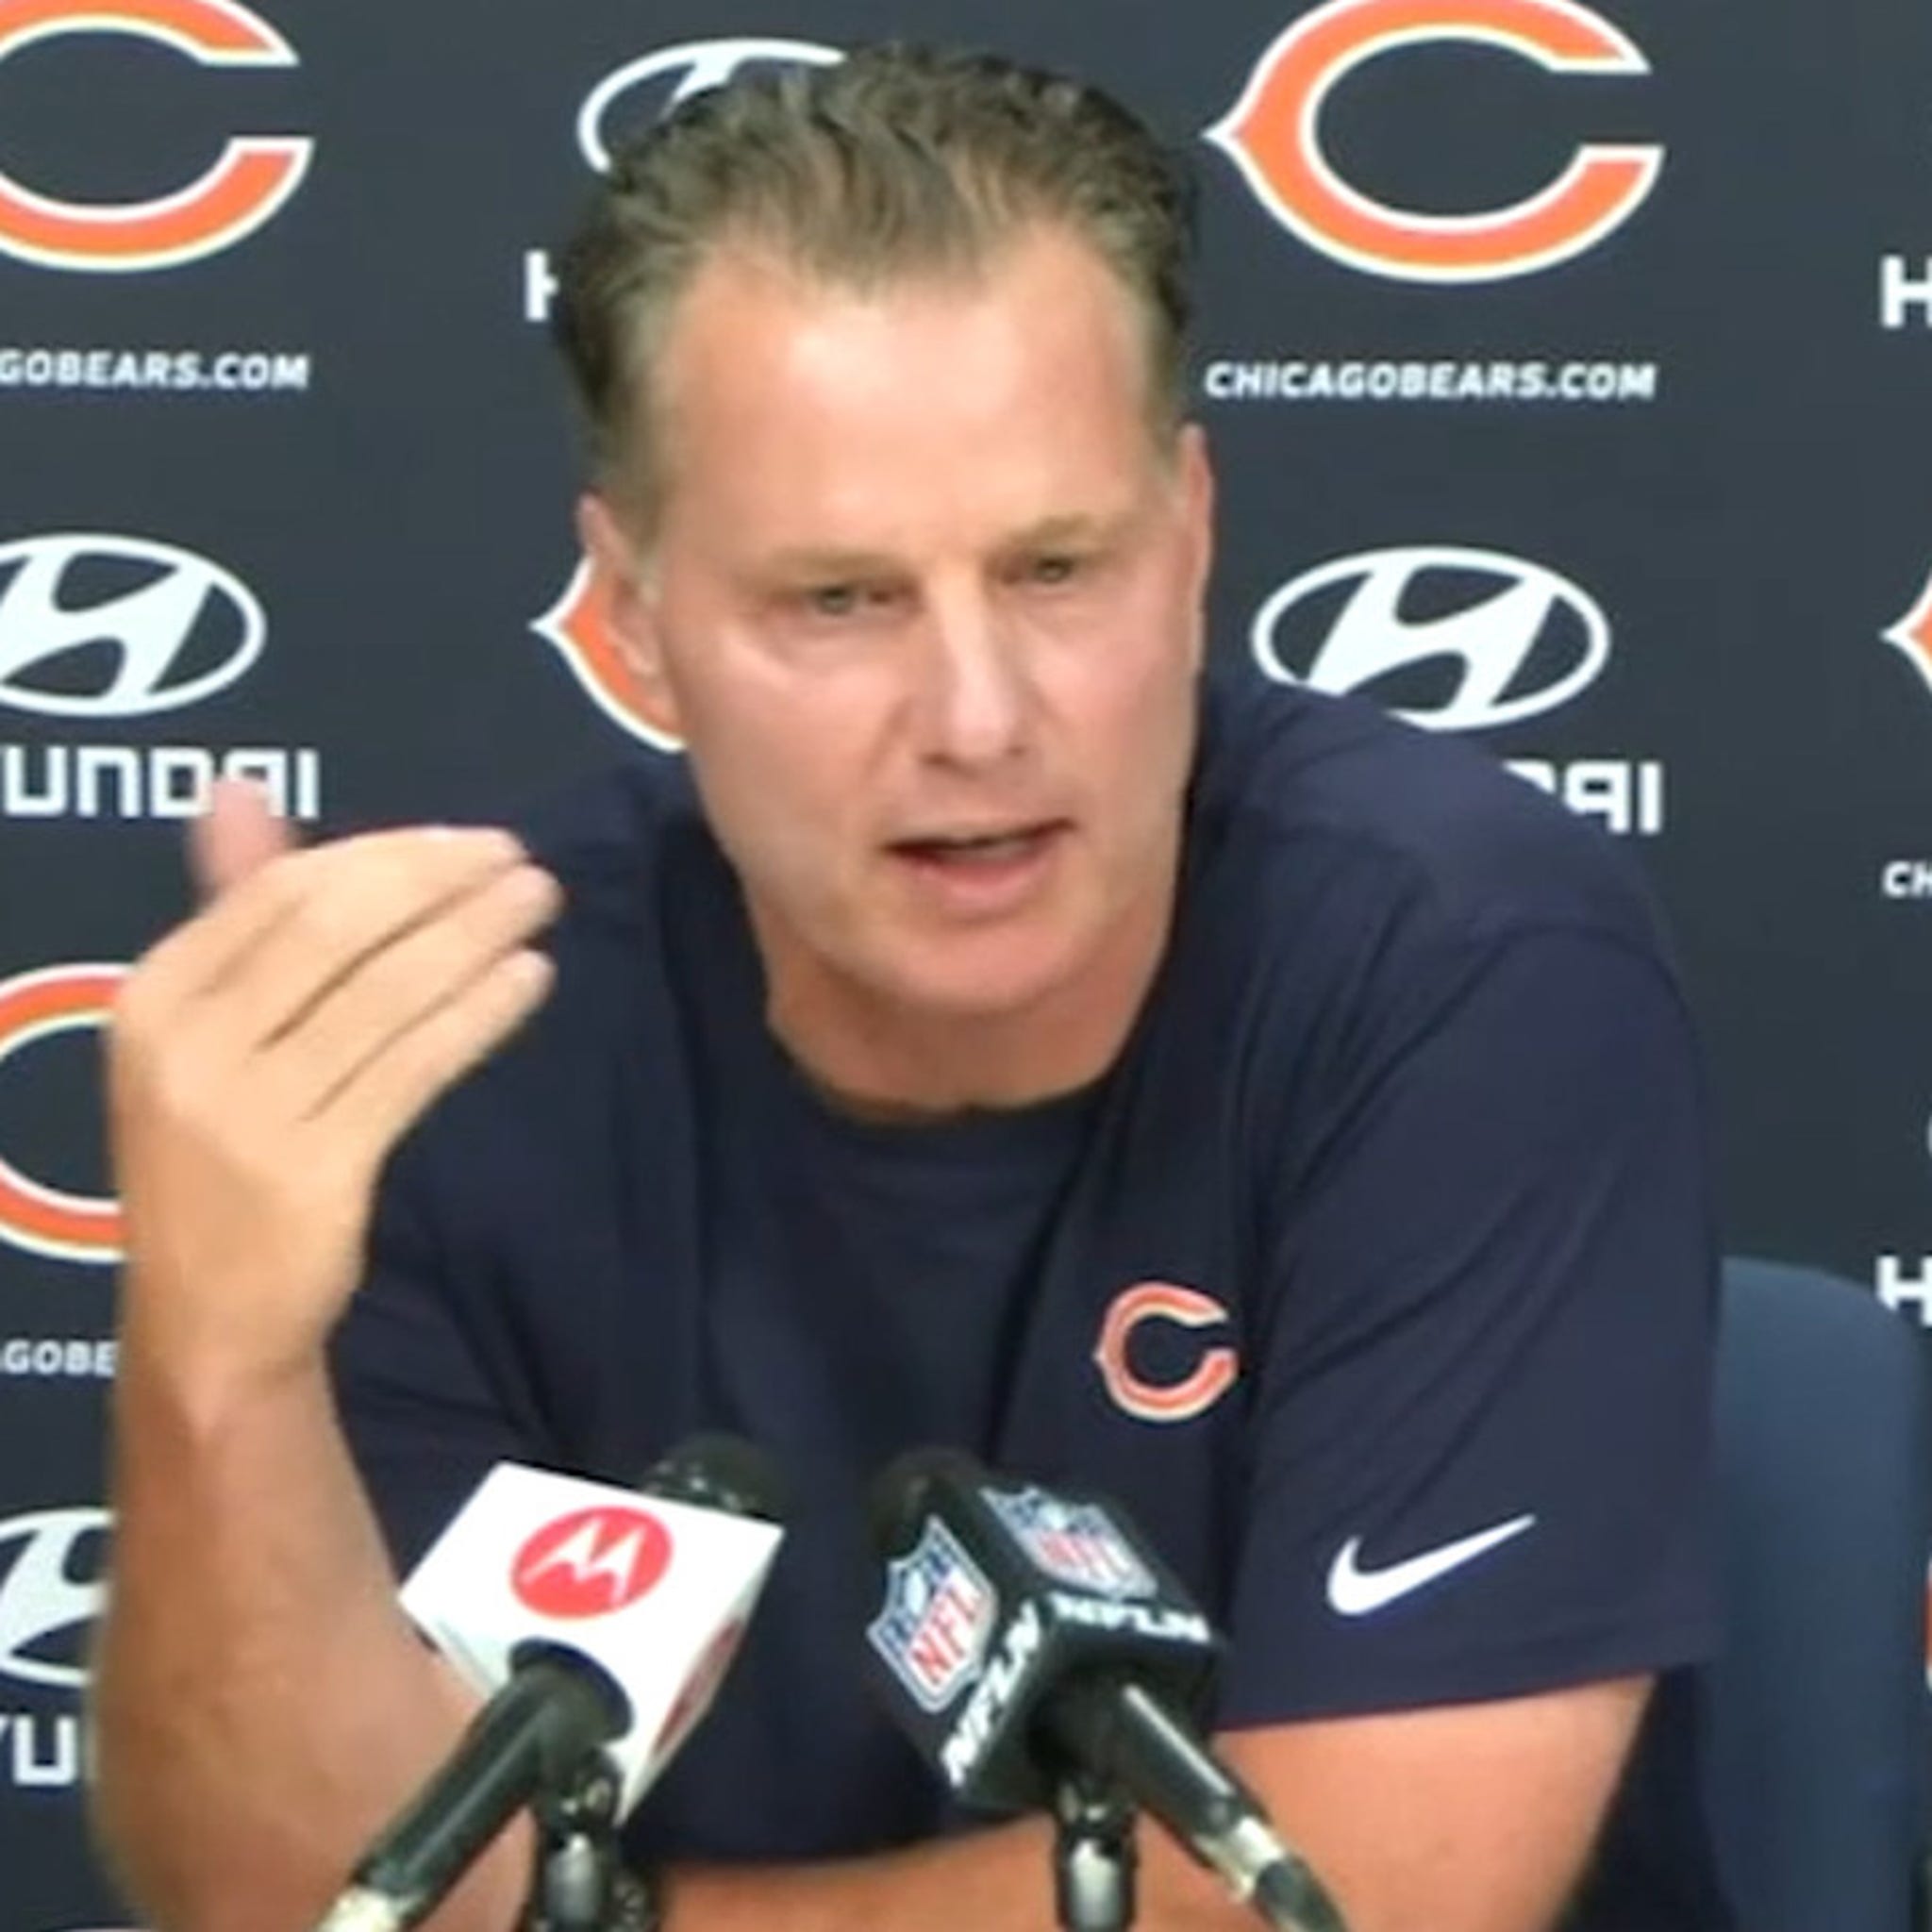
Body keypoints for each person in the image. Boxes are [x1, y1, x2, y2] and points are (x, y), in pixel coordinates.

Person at [89, 43, 1729, 1932]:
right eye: (840, 601)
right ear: (629, 619)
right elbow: (294, 1896)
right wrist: (223, 1364)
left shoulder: (1458, 964)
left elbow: (1372, 1897)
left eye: (1054, 568)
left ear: (1188, 541)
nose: (977, 719)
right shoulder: (449, 1035)